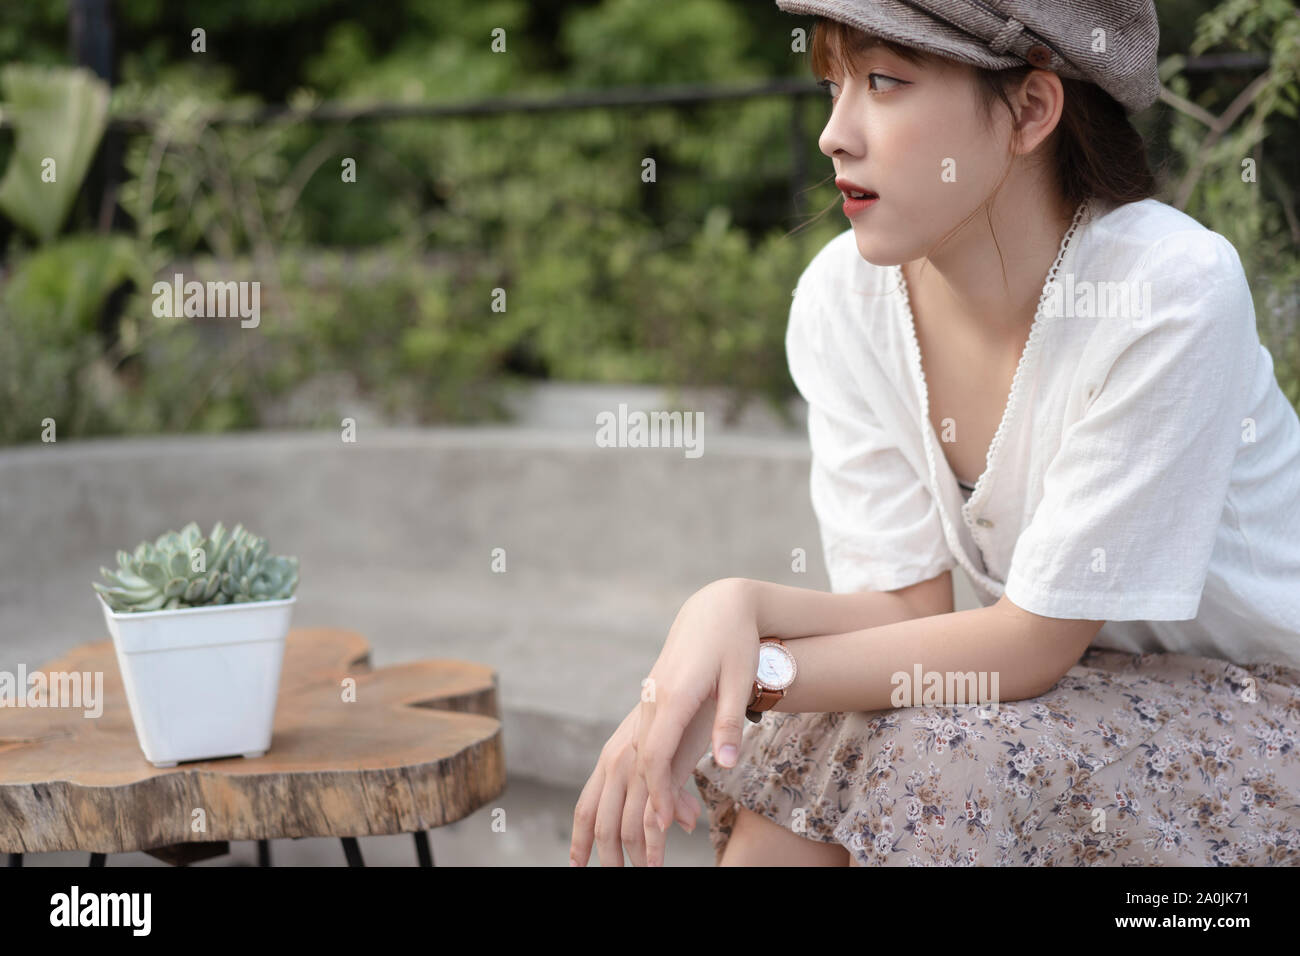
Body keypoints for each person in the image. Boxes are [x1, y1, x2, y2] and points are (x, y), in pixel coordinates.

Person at [569, 0, 1300, 867]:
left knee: (941, 756)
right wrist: (731, 610)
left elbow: (1029, 642)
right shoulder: (844, 299)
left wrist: (744, 685)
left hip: (1260, 705)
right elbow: (907, 612)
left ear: (1030, 110)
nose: (833, 134)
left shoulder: (1165, 288)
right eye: (834, 84)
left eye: (884, 82)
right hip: (1073, 693)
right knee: (822, 727)